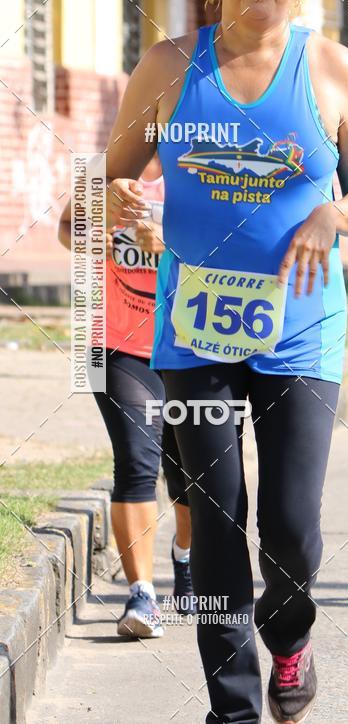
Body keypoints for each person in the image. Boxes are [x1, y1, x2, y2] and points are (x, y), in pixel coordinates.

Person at [102, 0, 348, 723]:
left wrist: (332, 214)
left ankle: (289, 638)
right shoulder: (166, 66)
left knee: (291, 530)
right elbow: (95, 193)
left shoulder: (332, 69)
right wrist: (111, 200)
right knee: (219, 523)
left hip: (301, 333)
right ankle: (231, 708)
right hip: (192, 335)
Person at [59, 155, 193, 638]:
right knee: (136, 461)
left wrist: (167, 246)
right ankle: (142, 595)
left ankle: (185, 555)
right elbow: (67, 234)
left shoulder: (202, 166)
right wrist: (104, 214)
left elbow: (232, 248)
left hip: (189, 344)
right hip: (112, 345)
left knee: (192, 474)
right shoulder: (104, 169)